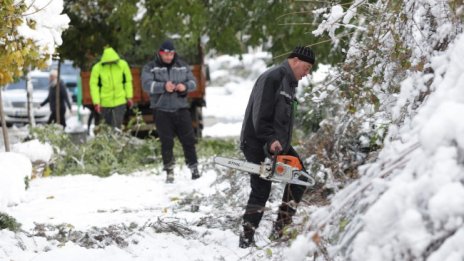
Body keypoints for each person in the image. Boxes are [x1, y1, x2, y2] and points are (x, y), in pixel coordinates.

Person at [238, 46, 315, 248]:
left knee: (300, 179)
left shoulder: (290, 83)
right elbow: (259, 114)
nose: (306, 73)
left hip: (278, 145)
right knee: (261, 189)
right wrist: (270, 138)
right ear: (295, 61)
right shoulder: (272, 77)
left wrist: (279, 142)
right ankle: (246, 238)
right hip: (257, 142)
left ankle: (280, 230)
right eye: (306, 68)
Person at [141, 39, 200, 183]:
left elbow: (194, 83)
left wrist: (184, 87)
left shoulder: (182, 66)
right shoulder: (151, 67)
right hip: (161, 110)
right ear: (160, 53)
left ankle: (194, 169)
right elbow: (146, 85)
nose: (168, 57)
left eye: (171, 54)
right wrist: (163, 86)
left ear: (174, 54)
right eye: (166, 54)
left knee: (189, 141)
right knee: (167, 143)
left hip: (181, 108)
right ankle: (169, 171)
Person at [89, 47, 133, 129]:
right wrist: (96, 102)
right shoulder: (97, 68)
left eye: (112, 62)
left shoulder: (123, 65)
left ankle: (116, 140)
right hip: (104, 102)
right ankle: (111, 141)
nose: (110, 63)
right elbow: (94, 85)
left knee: (117, 127)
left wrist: (129, 96)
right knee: (107, 128)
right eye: (108, 62)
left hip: (120, 100)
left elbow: (128, 81)